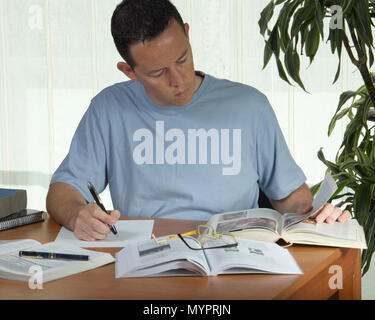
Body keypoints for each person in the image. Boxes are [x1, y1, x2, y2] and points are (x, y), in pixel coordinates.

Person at [46, 0, 351, 241]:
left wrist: (315, 214)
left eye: (182, 58)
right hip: (145, 255)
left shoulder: (249, 106)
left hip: (237, 252)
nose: (178, 80)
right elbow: (63, 190)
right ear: (129, 71)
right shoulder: (108, 109)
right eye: (157, 73)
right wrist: (77, 216)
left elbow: (291, 197)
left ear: (188, 34)